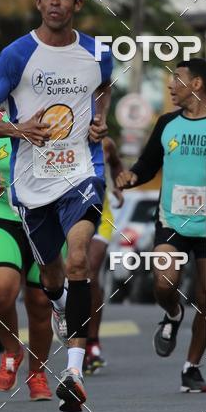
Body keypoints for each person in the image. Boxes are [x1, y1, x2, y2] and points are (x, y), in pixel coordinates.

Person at [0, 0, 112, 411]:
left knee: (78, 258)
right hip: (32, 185)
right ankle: (56, 304)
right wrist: (19, 129)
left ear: (77, 4)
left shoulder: (98, 52)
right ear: (38, 3)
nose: (56, 2)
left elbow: (104, 87)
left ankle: (72, 371)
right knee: (52, 277)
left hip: (81, 173)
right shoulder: (17, 55)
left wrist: (99, 120)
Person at [117, 58, 206, 393]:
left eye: (176, 80)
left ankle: (191, 367)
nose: (170, 86)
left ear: (197, 84)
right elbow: (148, 164)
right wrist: (132, 176)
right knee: (164, 282)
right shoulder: (167, 123)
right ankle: (173, 313)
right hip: (172, 220)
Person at [0, 110, 54, 400]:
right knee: (0, 291)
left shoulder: (55, 113)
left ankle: (38, 374)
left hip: (47, 223)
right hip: (5, 218)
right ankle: (12, 350)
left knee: (40, 303)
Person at [84, 136, 124, 373]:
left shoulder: (105, 143)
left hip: (100, 216)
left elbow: (117, 164)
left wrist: (118, 186)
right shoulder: (60, 137)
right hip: (66, 215)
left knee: (89, 273)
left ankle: (92, 342)